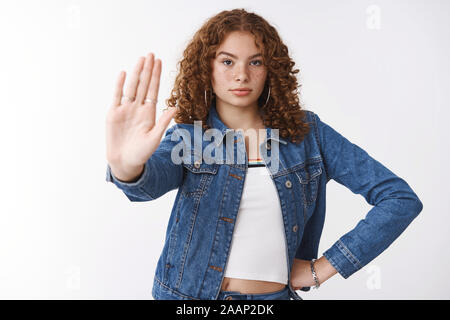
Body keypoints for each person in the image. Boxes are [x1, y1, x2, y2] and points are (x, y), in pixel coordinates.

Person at [105, 9, 423, 300]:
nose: (241, 75)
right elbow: (147, 183)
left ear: (271, 69)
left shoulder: (309, 134)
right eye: (227, 61)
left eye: (255, 62)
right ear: (207, 68)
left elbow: (399, 199)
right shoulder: (190, 137)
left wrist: (324, 267)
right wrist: (126, 166)